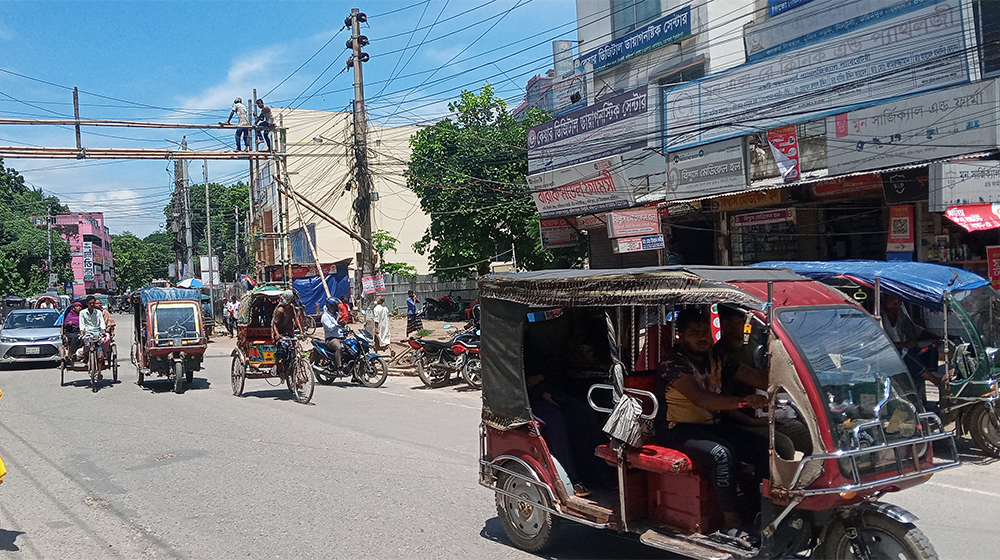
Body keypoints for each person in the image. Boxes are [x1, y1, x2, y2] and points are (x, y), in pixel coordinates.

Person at [657, 306, 769, 535]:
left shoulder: (716, 357)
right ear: (681, 336)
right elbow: (702, 399)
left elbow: (753, 376)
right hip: (676, 429)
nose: (702, 338)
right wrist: (744, 401)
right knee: (721, 453)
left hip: (711, 426)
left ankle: (762, 510)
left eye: (706, 332)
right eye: (694, 333)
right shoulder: (673, 362)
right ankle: (731, 520)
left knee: (763, 448)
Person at [715, 305, 812, 460]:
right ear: (726, 325)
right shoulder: (721, 357)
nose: (750, 325)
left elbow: (763, 379)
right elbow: (726, 409)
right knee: (783, 445)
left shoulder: (752, 347)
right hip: (737, 422)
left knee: (807, 433)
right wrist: (755, 422)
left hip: (760, 415)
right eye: (743, 321)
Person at [79, 296, 107, 376]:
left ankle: (99, 372)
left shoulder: (98, 312)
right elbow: (82, 323)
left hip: (97, 332)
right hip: (87, 333)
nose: (91, 304)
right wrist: (82, 332)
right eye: (90, 303)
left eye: (93, 303)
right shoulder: (82, 312)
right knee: (87, 347)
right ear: (87, 303)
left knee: (99, 353)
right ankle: (87, 359)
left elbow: (101, 322)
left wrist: (103, 330)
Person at [321, 298, 345, 372]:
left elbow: (341, 325)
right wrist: (337, 321)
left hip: (341, 336)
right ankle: (339, 367)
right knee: (339, 347)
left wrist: (343, 325)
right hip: (331, 339)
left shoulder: (337, 314)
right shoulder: (325, 316)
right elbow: (330, 328)